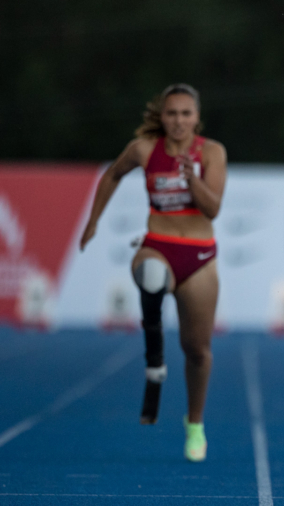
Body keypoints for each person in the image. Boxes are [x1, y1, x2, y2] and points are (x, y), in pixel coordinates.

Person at [80, 84, 226, 462]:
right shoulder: (145, 150)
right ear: (161, 116)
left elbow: (213, 210)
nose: (178, 121)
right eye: (172, 113)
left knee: (197, 351)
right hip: (157, 244)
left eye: (186, 114)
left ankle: (194, 424)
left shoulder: (211, 152)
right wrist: (93, 221)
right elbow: (112, 174)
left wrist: (191, 179)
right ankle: (154, 360)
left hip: (198, 257)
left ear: (197, 117)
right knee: (150, 276)